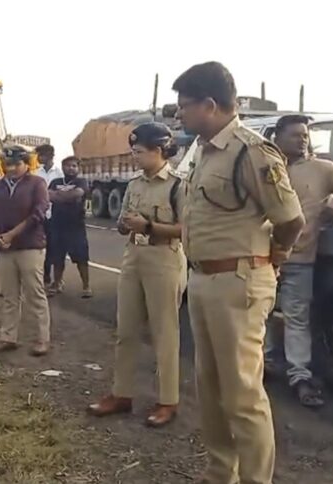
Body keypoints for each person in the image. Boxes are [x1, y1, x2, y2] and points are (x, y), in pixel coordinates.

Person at [174, 61, 305, 484]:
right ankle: (219, 473)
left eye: (184, 106)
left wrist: (277, 256)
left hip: (239, 282)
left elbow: (290, 219)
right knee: (210, 389)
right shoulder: (203, 152)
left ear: (209, 105)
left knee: (243, 394)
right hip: (203, 279)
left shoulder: (252, 152)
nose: (179, 114)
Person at [87, 123, 186, 428]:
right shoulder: (134, 185)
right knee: (125, 331)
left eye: (140, 152)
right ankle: (121, 394)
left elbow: (189, 229)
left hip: (164, 260)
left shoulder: (177, 186)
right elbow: (122, 222)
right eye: (134, 152)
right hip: (134, 258)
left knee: (164, 334)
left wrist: (149, 227)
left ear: (159, 151)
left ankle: (167, 400)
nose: (135, 158)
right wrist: (125, 225)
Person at [265, 114, 333, 408]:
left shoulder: (322, 169)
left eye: (305, 134)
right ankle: (266, 363)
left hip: (299, 257)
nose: (302, 139)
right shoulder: (266, 167)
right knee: (262, 314)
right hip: (261, 256)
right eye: (295, 134)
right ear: (277, 137)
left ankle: (300, 375)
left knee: (297, 317)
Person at [0, 145, 52, 356]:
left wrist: (12, 235)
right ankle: (7, 337)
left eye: (16, 164)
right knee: (9, 296)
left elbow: (38, 214)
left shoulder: (37, 184)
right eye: (7, 164)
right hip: (4, 249)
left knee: (35, 294)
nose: (11, 168)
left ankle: (42, 339)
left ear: (26, 164)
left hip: (29, 246)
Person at [47, 156, 92, 298]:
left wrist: (59, 196)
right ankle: (57, 283)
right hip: (57, 226)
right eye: (68, 165)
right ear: (63, 167)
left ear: (78, 169)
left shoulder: (82, 182)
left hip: (76, 227)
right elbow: (48, 195)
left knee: (82, 259)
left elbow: (78, 193)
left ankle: (86, 286)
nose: (71, 168)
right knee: (57, 258)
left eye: (74, 166)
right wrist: (68, 196)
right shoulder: (55, 181)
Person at [33, 144, 63, 288]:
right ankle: (45, 278)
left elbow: (62, 194)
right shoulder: (35, 174)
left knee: (55, 249)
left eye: (41, 155)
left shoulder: (59, 174)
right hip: (41, 216)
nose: (38, 158)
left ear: (49, 156)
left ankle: (57, 280)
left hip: (56, 216)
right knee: (41, 248)